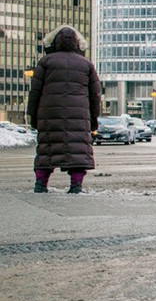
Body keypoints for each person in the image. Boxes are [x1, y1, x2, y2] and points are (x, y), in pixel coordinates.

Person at [27, 25, 101, 194]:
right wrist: (94, 119)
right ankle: (76, 186)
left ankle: (40, 184)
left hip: (49, 114)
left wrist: (32, 115)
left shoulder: (45, 62)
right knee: (77, 151)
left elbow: (35, 92)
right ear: (77, 44)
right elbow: (95, 96)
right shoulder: (86, 65)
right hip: (79, 115)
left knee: (47, 150)